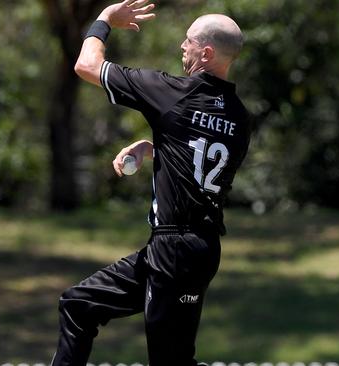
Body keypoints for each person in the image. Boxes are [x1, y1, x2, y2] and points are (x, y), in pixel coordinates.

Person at [51, 1, 251, 365]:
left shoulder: (173, 92)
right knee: (79, 305)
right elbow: (201, 161)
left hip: (174, 250)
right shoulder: (239, 117)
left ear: (205, 53)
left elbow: (87, 65)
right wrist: (153, 147)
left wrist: (104, 20)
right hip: (196, 249)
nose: (182, 46)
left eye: (188, 41)